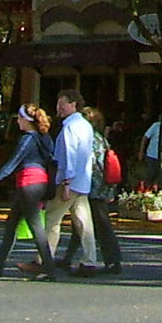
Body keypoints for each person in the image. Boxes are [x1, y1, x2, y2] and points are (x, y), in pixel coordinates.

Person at [0, 102, 59, 279]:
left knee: (36, 228)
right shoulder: (45, 138)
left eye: (19, 118)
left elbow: (11, 165)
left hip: (28, 184)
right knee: (11, 224)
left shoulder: (27, 139)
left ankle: (50, 269)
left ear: (26, 120)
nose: (17, 121)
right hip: (40, 183)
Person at [45, 88, 99, 276]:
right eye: (58, 104)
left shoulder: (69, 127)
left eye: (63, 104)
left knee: (52, 218)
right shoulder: (85, 125)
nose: (59, 108)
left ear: (74, 104)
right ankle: (90, 261)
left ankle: (43, 258)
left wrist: (66, 183)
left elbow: (69, 155)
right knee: (84, 222)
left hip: (69, 181)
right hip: (82, 180)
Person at [64, 106, 121, 275]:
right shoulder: (101, 138)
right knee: (80, 223)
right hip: (99, 186)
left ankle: (113, 260)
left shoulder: (92, 139)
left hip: (93, 187)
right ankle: (68, 258)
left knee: (99, 224)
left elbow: (93, 163)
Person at [139, 118, 162, 187]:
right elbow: (145, 137)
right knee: (150, 177)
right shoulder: (156, 126)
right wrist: (141, 151)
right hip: (152, 155)